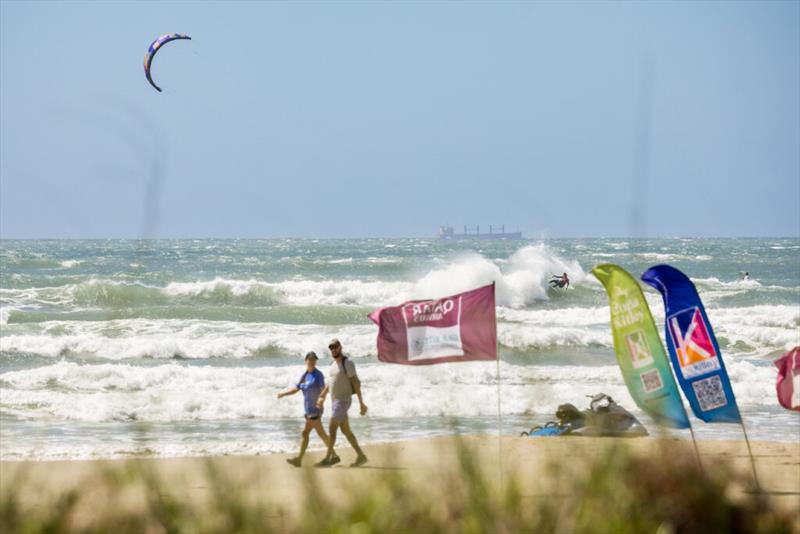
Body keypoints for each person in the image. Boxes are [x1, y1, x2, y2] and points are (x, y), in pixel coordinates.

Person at [315, 339, 368, 467]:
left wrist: (361, 403)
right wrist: (322, 395)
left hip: (343, 401)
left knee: (332, 427)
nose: (333, 349)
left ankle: (330, 457)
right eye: (331, 348)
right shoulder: (332, 364)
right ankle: (361, 456)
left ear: (340, 347)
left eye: (335, 347)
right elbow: (331, 382)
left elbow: (356, 382)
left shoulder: (347, 363)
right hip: (335, 402)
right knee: (346, 431)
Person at [277, 351, 330, 467]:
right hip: (308, 411)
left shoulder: (318, 375)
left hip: (316, 409)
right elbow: (296, 389)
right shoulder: (305, 375)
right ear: (306, 361)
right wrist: (283, 393)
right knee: (314, 434)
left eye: (314, 359)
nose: (312, 361)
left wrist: (321, 401)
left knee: (309, 433)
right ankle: (332, 455)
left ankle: (300, 459)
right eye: (310, 359)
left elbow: (324, 389)